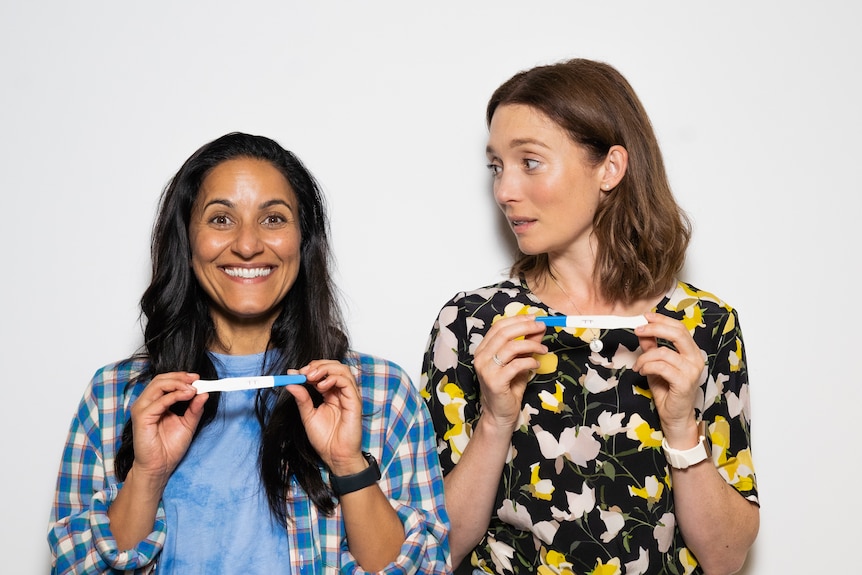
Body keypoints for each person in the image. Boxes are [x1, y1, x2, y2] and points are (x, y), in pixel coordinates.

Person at [48, 132, 450, 574]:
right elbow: (75, 568)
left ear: (303, 239)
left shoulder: (379, 392)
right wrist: (148, 474)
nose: (246, 244)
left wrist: (346, 464)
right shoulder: (114, 396)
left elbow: (425, 569)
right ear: (187, 237)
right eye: (221, 219)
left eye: (273, 219)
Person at [421, 59, 759, 575]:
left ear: (610, 167)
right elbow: (435, 550)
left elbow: (727, 558)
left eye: (529, 162)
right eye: (496, 166)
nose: (505, 190)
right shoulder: (471, 323)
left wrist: (681, 427)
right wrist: (495, 422)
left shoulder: (704, 326)